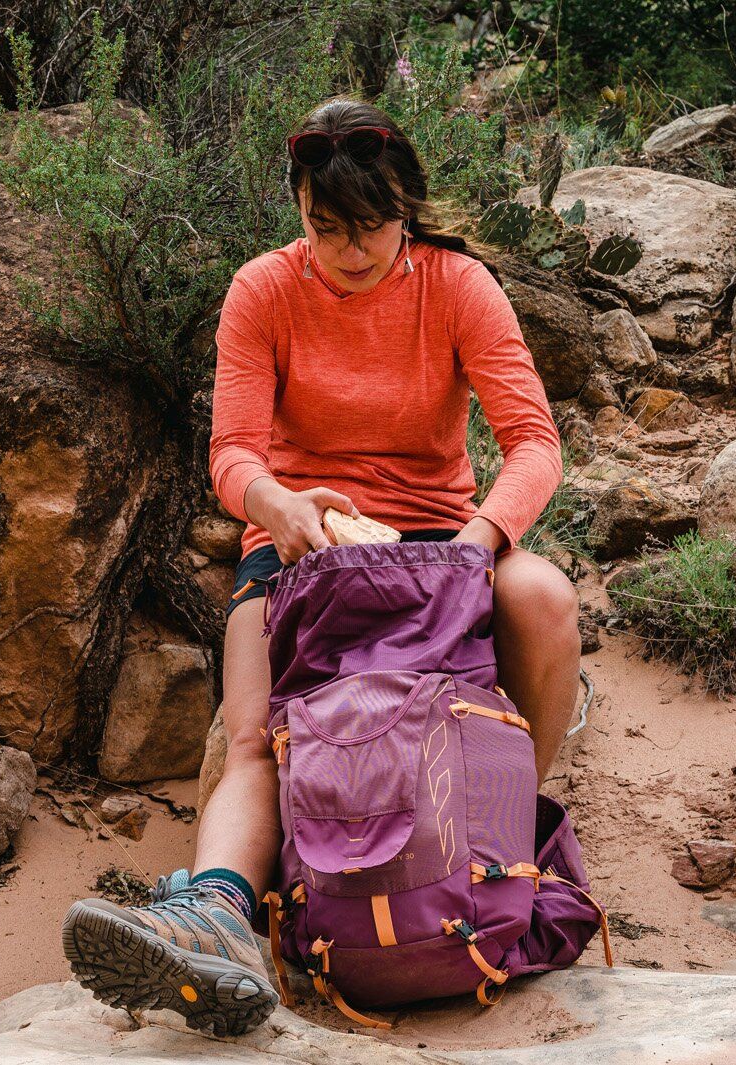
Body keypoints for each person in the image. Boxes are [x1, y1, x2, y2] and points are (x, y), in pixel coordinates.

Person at [62, 96, 582, 1036]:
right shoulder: (262, 289)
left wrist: (479, 542)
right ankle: (219, 914)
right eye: (326, 227)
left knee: (543, 595)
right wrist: (279, 507)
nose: (351, 250)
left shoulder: (458, 286)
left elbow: (536, 445)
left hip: (436, 539)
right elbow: (232, 455)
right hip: (300, 544)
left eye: (374, 226)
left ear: (408, 208)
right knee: (258, 731)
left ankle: (497, 836)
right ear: (298, 207)